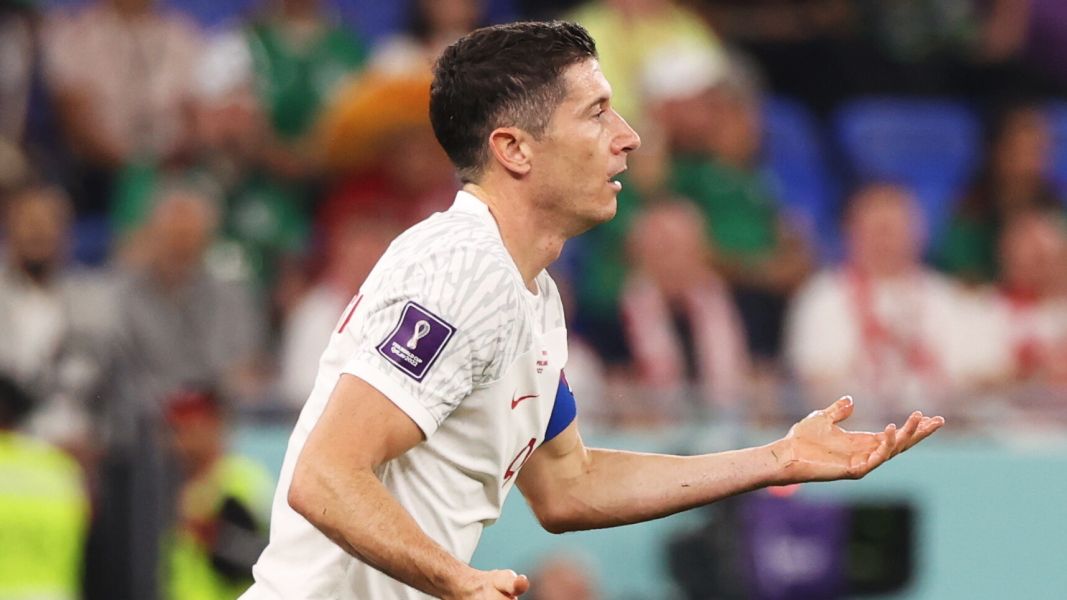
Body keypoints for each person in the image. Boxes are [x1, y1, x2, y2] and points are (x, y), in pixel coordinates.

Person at [241, 22, 943, 600]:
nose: (628, 135)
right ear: (514, 149)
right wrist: (457, 580)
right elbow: (325, 475)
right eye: (597, 112)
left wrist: (777, 458)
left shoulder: (530, 291)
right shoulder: (462, 270)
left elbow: (568, 486)